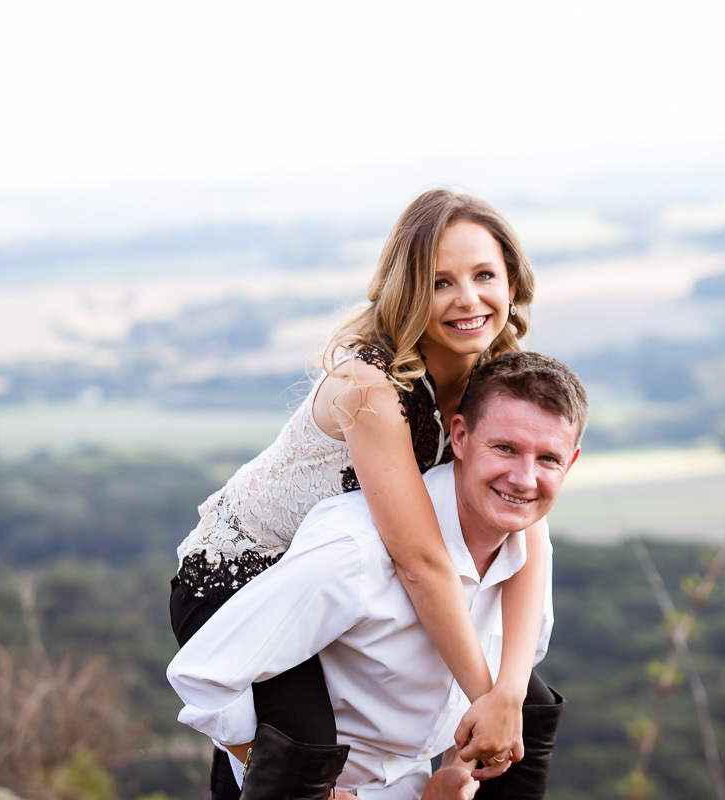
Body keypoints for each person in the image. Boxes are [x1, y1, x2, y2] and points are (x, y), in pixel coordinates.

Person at [168, 189, 552, 797]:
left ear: (513, 282)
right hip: (241, 580)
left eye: (484, 275)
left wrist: (506, 691)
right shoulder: (370, 388)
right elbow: (420, 561)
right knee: (302, 755)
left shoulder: (495, 374)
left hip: (338, 577)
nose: (468, 299)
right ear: (407, 290)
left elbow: (525, 522)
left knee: (534, 706)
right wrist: (486, 699)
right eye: (440, 282)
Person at [168, 351, 587, 799]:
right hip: (297, 787)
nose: (524, 479)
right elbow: (204, 675)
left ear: (572, 462)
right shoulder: (355, 550)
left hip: (406, 786)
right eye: (505, 448)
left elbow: (493, 689)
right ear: (460, 437)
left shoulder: (525, 556)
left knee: (533, 705)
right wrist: (317, 793)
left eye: (547, 459)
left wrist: (454, 769)